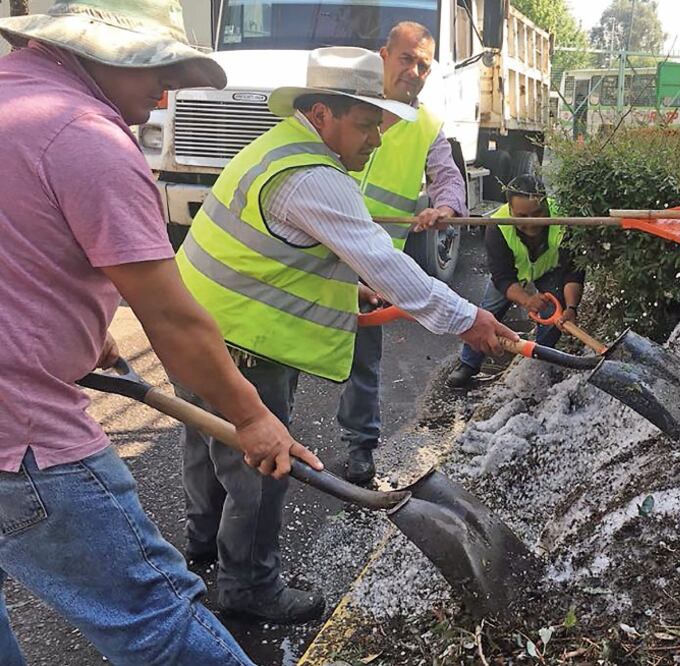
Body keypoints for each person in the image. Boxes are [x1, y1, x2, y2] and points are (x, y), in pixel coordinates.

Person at [0, 1, 325, 663]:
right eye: (154, 65)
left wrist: (75, 335)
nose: (167, 87)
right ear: (95, 51)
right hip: (22, 442)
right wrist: (252, 416)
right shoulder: (84, 138)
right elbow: (172, 319)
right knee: (156, 621)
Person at [176, 46, 516, 624]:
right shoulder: (315, 178)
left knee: (209, 447)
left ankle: (202, 547)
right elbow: (387, 264)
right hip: (245, 345)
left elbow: (275, 247)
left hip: (194, 329)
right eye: (365, 126)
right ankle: (248, 585)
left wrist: (349, 290)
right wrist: (470, 319)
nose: (376, 142)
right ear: (320, 113)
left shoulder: (279, 147)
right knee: (260, 467)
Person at [338, 21, 467, 485]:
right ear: (383, 56)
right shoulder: (347, 101)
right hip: (315, 254)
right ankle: (271, 439)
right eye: (406, 59)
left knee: (363, 361)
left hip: (372, 266)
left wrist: (446, 205)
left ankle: (360, 449)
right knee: (287, 350)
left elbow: (447, 176)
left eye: (424, 65)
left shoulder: (426, 126)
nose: (414, 71)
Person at [447, 175, 586, 388]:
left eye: (537, 214)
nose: (530, 223)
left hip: (549, 269)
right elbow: (503, 278)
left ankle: (539, 360)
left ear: (547, 205)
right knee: (487, 314)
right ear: (510, 209)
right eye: (522, 216)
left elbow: (573, 273)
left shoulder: (565, 221)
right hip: (513, 276)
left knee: (553, 310)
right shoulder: (497, 226)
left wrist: (571, 308)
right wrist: (527, 300)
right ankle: (468, 364)